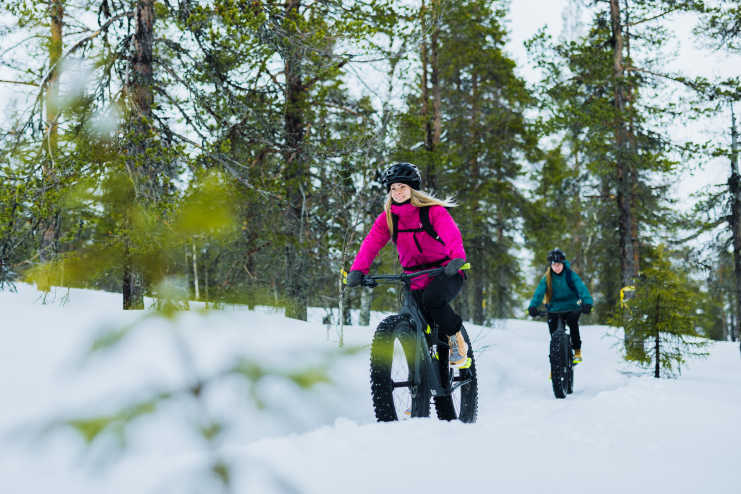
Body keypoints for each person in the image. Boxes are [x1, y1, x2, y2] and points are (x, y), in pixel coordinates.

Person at [345, 162, 469, 367]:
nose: (398, 192)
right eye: (393, 188)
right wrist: (358, 270)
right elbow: (371, 243)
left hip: (446, 271)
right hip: (414, 277)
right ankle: (424, 372)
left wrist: (457, 258)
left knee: (433, 299)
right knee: (411, 314)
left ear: (412, 188)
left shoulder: (432, 211)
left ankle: (456, 338)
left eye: (402, 187)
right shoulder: (388, 218)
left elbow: (451, 233)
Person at [527, 248, 593, 363]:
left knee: (573, 324)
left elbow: (581, 288)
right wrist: (533, 306)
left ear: (563, 264)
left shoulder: (570, 275)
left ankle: (577, 351)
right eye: (554, 265)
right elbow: (539, 293)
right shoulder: (547, 278)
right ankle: (555, 361)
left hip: (572, 306)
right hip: (554, 308)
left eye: (559, 264)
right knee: (554, 335)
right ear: (551, 265)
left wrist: (587, 303)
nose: (556, 267)